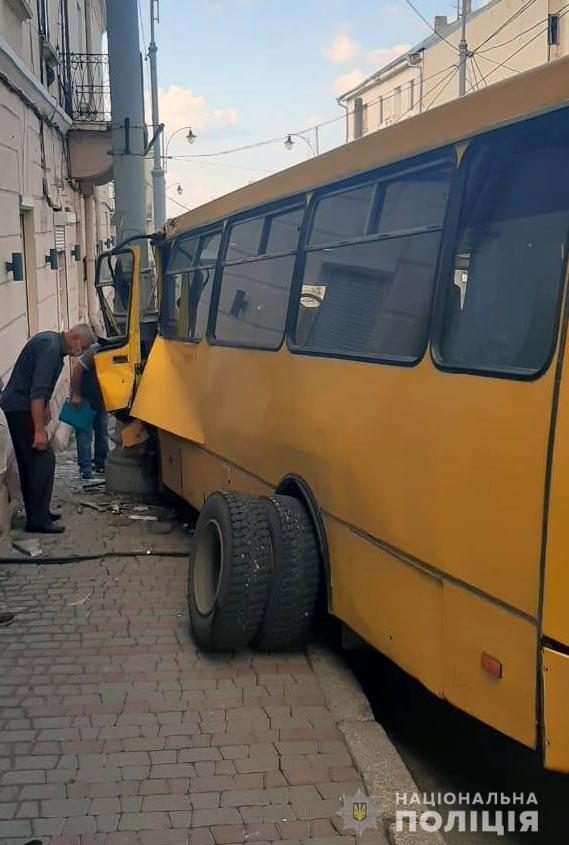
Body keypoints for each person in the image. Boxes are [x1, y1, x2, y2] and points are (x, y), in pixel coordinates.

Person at [0, 325, 96, 534]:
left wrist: (44, 411)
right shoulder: (51, 348)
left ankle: (39, 512)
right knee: (43, 460)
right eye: (84, 346)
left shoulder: (52, 345)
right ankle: (37, 519)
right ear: (76, 338)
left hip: (18, 406)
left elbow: (39, 392)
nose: (80, 351)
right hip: (19, 408)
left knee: (30, 462)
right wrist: (39, 431)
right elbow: (37, 392)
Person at [70, 342, 109, 480]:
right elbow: (77, 368)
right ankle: (86, 471)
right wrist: (76, 394)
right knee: (84, 436)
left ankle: (101, 464)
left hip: (101, 397)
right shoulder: (95, 350)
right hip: (85, 396)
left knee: (102, 431)